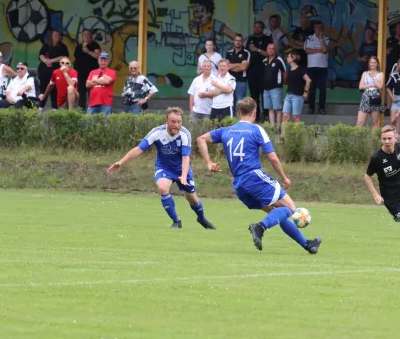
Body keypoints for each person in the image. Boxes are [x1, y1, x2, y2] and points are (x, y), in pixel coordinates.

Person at [196, 97, 321, 254]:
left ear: (239, 112)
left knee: (277, 213)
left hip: (239, 185)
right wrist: (284, 177)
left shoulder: (226, 131)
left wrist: (209, 163)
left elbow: (201, 139)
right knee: (290, 208)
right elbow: (273, 157)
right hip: (254, 178)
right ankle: (259, 227)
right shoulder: (256, 130)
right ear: (255, 113)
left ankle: (307, 245)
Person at [108, 107, 216, 230]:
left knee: (193, 200)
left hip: (182, 169)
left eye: (179, 122)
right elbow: (139, 149)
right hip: (164, 167)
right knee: (162, 187)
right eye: (173, 122)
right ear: (166, 121)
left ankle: (201, 219)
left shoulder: (185, 134)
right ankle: (176, 222)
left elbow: (186, 158)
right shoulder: (157, 133)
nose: (176, 125)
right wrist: (121, 162)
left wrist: (184, 176)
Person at [38, 30, 69, 110]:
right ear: (51, 36)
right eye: (55, 35)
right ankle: (40, 108)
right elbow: (41, 55)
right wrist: (46, 61)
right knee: (43, 90)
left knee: (54, 90)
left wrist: (51, 61)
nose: (57, 37)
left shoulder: (63, 47)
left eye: (58, 35)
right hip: (43, 71)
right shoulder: (46, 45)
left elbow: (63, 58)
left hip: (55, 72)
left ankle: (54, 109)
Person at [74, 29, 101, 110]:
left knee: (92, 93)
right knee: (81, 94)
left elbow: (98, 56)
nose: (86, 36)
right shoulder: (78, 46)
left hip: (92, 74)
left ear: (91, 36)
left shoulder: (94, 45)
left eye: (88, 35)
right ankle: (81, 112)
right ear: (82, 36)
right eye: (84, 35)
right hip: (80, 74)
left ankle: (93, 111)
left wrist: (88, 51)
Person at [282, 51, 311, 123]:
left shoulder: (300, 69)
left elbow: (308, 80)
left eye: (288, 56)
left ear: (293, 58)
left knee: (296, 117)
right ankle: (283, 134)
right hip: (288, 95)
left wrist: (306, 92)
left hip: (297, 96)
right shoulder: (289, 70)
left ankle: (297, 134)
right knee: (285, 116)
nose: (287, 58)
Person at [357, 56, 384, 128]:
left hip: (375, 97)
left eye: (374, 62)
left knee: (375, 122)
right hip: (366, 96)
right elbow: (361, 86)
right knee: (360, 122)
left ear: (377, 64)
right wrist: (370, 85)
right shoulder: (365, 73)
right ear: (369, 64)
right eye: (371, 62)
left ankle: (373, 139)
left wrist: (373, 77)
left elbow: (380, 86)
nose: (372, 64)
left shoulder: (380, 74)